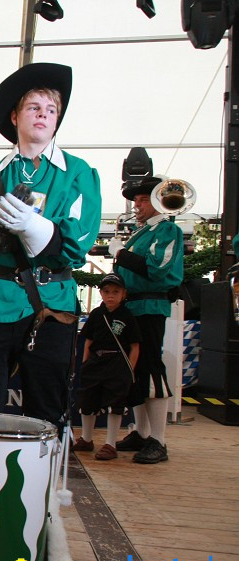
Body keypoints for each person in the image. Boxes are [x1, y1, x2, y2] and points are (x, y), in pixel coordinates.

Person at [0, 62, 102, 430]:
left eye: (52, 110)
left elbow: (77, 243)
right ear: (15, 116)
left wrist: (32, 226)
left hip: (50, 304)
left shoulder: (79, 173)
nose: (44, 116)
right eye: (35, 108)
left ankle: (44, 487)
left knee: (47, 408)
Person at [109, 176, 184, 464]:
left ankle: (159, 440)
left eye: (142, 200)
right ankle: (141, 432)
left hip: (151, 305)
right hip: (134, 306)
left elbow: (155, 268)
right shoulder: (144, 232)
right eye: (136, 200)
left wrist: (121, 254)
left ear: (156, 201)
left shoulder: (167, 230)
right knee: (136, 369)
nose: (137, 205)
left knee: (151, 366)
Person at [72, 272, 141, 460]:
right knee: (87, 400)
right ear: (101, 293)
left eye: (116, 291)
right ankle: (86, 438)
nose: (111, 295)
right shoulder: (96, 314)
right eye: (107, 291)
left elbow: (135, 345)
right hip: (96, 361)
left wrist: (129, 369)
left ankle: (110, 443)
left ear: (123, 294)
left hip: (117, 362)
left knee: (115, 403)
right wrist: (86, 362)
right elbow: (88, 340)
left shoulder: (127, 316)